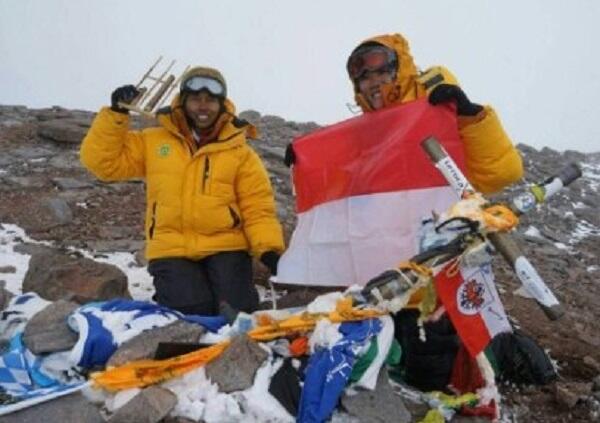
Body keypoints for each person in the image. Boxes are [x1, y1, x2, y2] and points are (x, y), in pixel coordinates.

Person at [285, 33, 524, 391]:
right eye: (362, 76)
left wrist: (471, 117)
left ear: (399, 67)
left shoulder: (440, 107)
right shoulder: (363, 137)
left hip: (435, 278)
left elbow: (502, 173)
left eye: (380, 68)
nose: (373, 81)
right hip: (379, 279)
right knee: (383, 371)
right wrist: (308, 161)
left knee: (427, 372)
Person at [80, 66, 284, 316]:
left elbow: (257, 208)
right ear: (183, 101)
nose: (203, 106)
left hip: (226, 245)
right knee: (191, 313)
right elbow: (102, 163)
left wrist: (269, 251)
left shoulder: (240, 153)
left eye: (210, 100)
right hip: (171, 247)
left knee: (237, 311)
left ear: (223, 105)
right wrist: (116, 114)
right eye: (196, 99)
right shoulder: (153, 140)